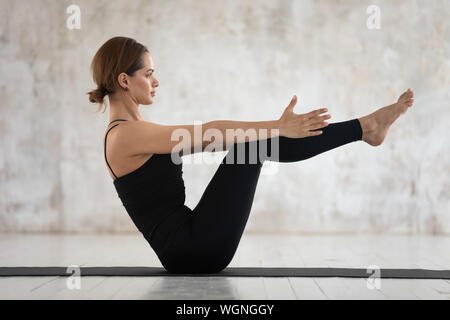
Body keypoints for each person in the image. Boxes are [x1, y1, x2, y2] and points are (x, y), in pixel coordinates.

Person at [87, 36, 414, 274]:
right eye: (148, 74)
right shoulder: (125, 135)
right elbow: (209, 131)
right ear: (124, 80)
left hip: (190, 245)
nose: (156, 81)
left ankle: (366, 128)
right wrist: (278, 125)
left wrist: (275, 130)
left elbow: (211, 140)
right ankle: (366, 128)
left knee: (250, 144)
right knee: (252, 144)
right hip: (193, 251)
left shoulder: (133, 131)